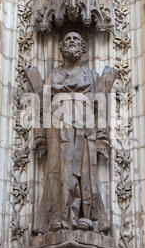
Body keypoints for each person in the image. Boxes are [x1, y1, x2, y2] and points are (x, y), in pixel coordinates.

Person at [32, 32, 112, 235]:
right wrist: (41, 136)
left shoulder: (92, 76)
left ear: (84, 47)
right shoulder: (54, 74)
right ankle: (59, 217)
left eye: (76, 39)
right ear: (61, 47)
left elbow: (100, 108)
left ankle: (86, 216)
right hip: (58, 128)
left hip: (85, 127)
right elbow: (44, 106)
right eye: (67, 39)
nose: (72, 42)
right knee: (59, 170)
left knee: (85, 172)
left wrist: (101, 137)